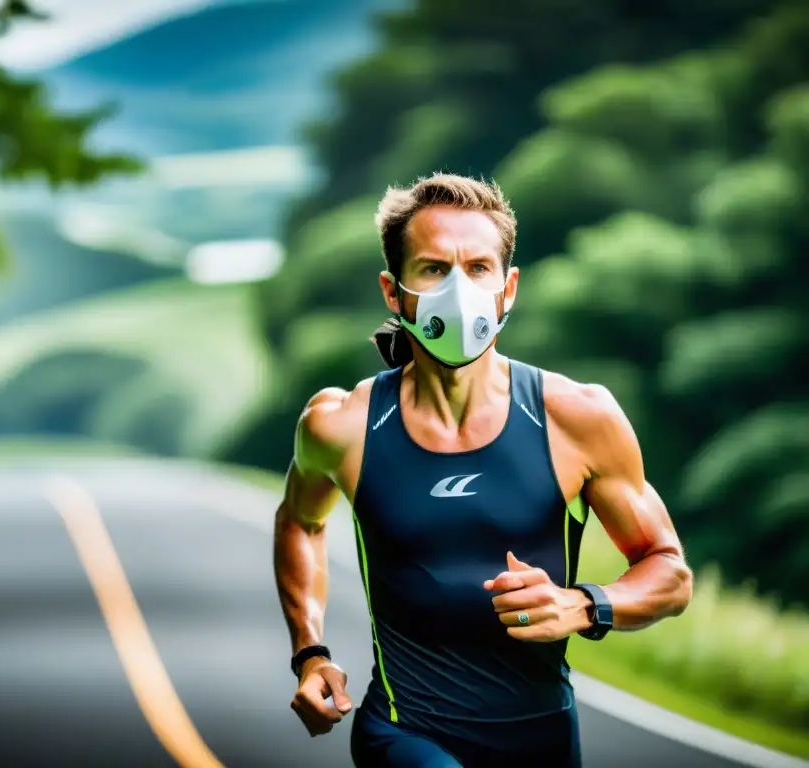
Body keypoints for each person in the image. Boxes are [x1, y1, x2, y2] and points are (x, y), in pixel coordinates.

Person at [272, 172, 694, 767]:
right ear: (394, 293)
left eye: (477, 268)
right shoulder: (340, 425)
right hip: (405, 732)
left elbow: (670, 572)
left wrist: (583, 604)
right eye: (433, 268)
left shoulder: (578, 418)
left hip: (543, 736)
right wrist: (309, 651)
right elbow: (300, 522)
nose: (458, 289)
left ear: (508, 286)